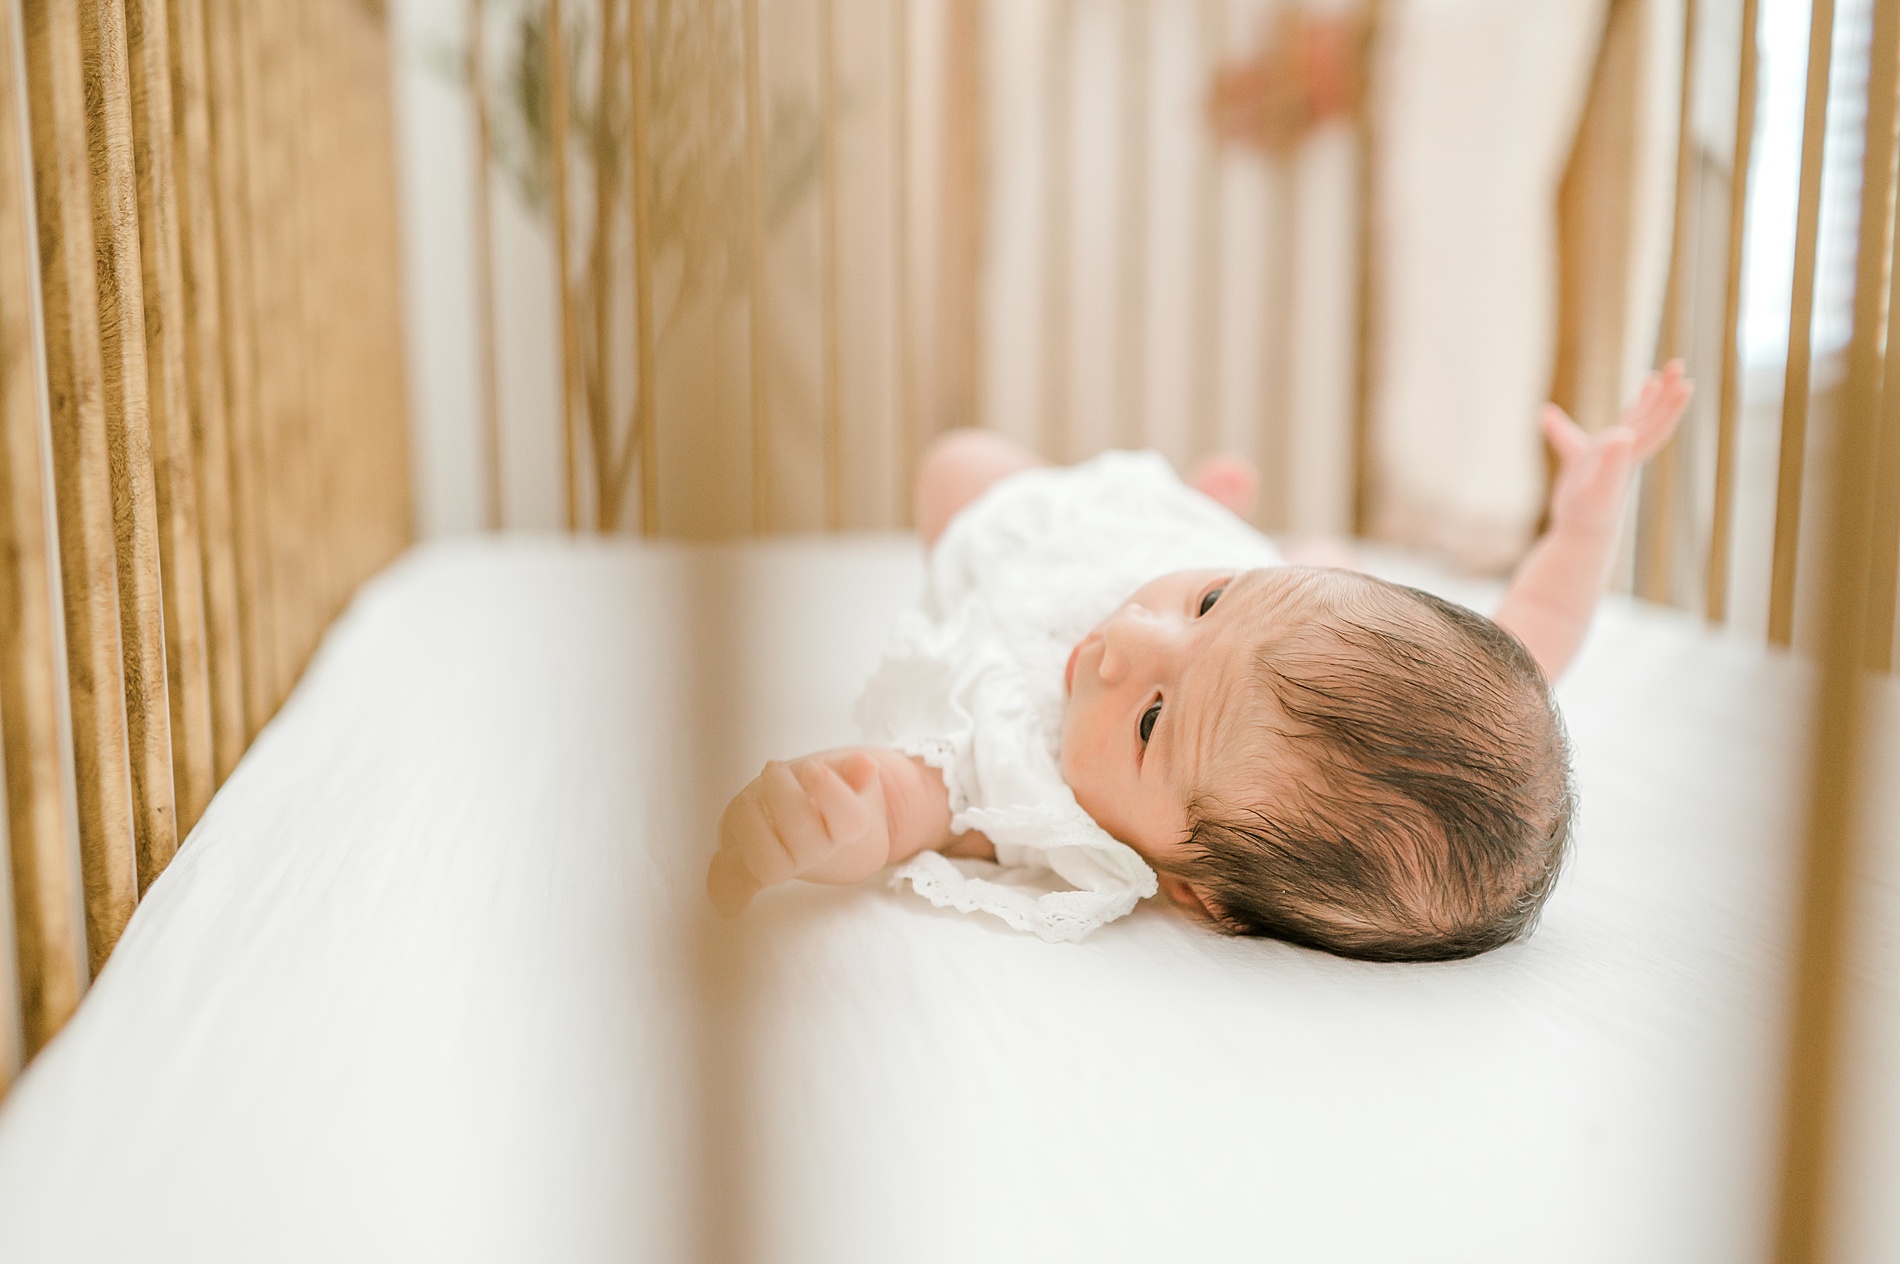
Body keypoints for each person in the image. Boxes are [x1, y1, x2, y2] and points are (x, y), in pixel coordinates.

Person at [706, 365, 1691, 959]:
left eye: (1149, 721)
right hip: (1142, 534)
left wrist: (827, 819)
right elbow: (1527, 642)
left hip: (1020, 558)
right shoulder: (1259, 631)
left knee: (956, 470)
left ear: (1194, 888)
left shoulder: (1040, 792)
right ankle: (1204, 519)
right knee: (1318, 573)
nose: (1126, 640)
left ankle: (1208, 520)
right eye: (1205, 603)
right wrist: (1584, 517)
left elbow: (903, 800)